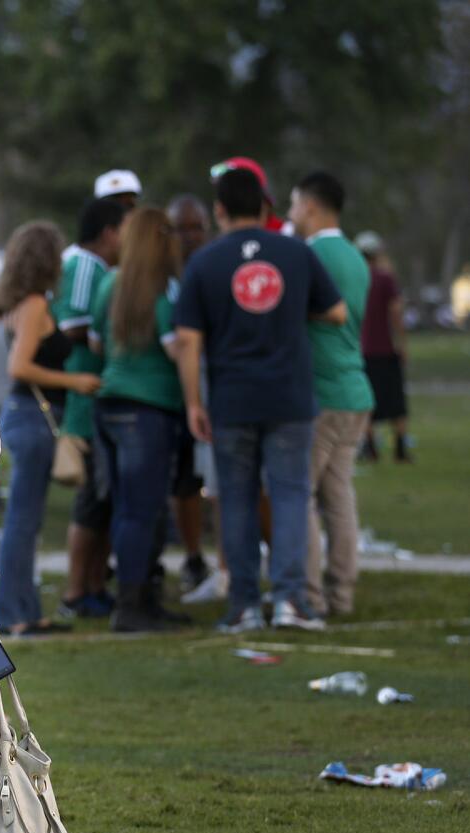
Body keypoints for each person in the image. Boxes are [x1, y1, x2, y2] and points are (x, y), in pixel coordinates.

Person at [174, 168, 345, 634]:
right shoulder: (296, 254)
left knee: (237, 500)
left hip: (232, 399)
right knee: (291, 496)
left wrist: (193, 402)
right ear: (267, 207)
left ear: (220, 209)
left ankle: (245, 606)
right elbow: (337, 311)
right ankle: (291, 601)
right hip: (290, 395)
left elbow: (188, 340)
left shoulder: (205, 263)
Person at [91, 208, 189, 631]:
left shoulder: (111, 283)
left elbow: (96, 341)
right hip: (148, 409)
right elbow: (176, 350)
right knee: (142, 511)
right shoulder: (163, 289)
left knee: (126, 509)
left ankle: (138, 598)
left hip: (110, 404)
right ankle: (132, 607)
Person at [0, 220, 92, 635]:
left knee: (26, 519)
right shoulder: (34, 305)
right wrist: (76, 381)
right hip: (33, 417)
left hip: (25, 416)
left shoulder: (18, 303)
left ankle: (27, 611)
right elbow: (20, 367)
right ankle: (15, 614)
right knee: (21, 519)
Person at [287, 171, 374, 617]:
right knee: (338, 497)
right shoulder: (357, 257)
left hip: (321, 392)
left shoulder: (309, 255)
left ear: (312, 207)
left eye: (294, 204)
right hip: (355, 388)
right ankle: (342, 595)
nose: (290, 214)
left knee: (300, 494)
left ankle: (307, 596)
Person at [56, 198, 125, 619]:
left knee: (103, 500)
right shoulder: (85, 265)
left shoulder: (100, 268)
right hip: (84, 396)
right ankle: (75, 592)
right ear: (108, 232)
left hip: (96, 393)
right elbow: (72, 325)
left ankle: (95, 585)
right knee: (90, 500)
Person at [165, 195, 213, 594]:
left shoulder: (213, 267)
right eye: (182, 228)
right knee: (184, 483)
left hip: (211, 391)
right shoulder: (161, 277)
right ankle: (194, 556)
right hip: (171, 396)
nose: (190, 236)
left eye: (197, 227)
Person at [355, 231, 411, 462]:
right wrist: (402, 342)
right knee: (396, 400)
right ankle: (400, 448)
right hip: (386, 349)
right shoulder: (386, 278)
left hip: (362, 350)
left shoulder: (355, 278)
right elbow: (396, 312)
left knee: (368, 401)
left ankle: (370, 447)